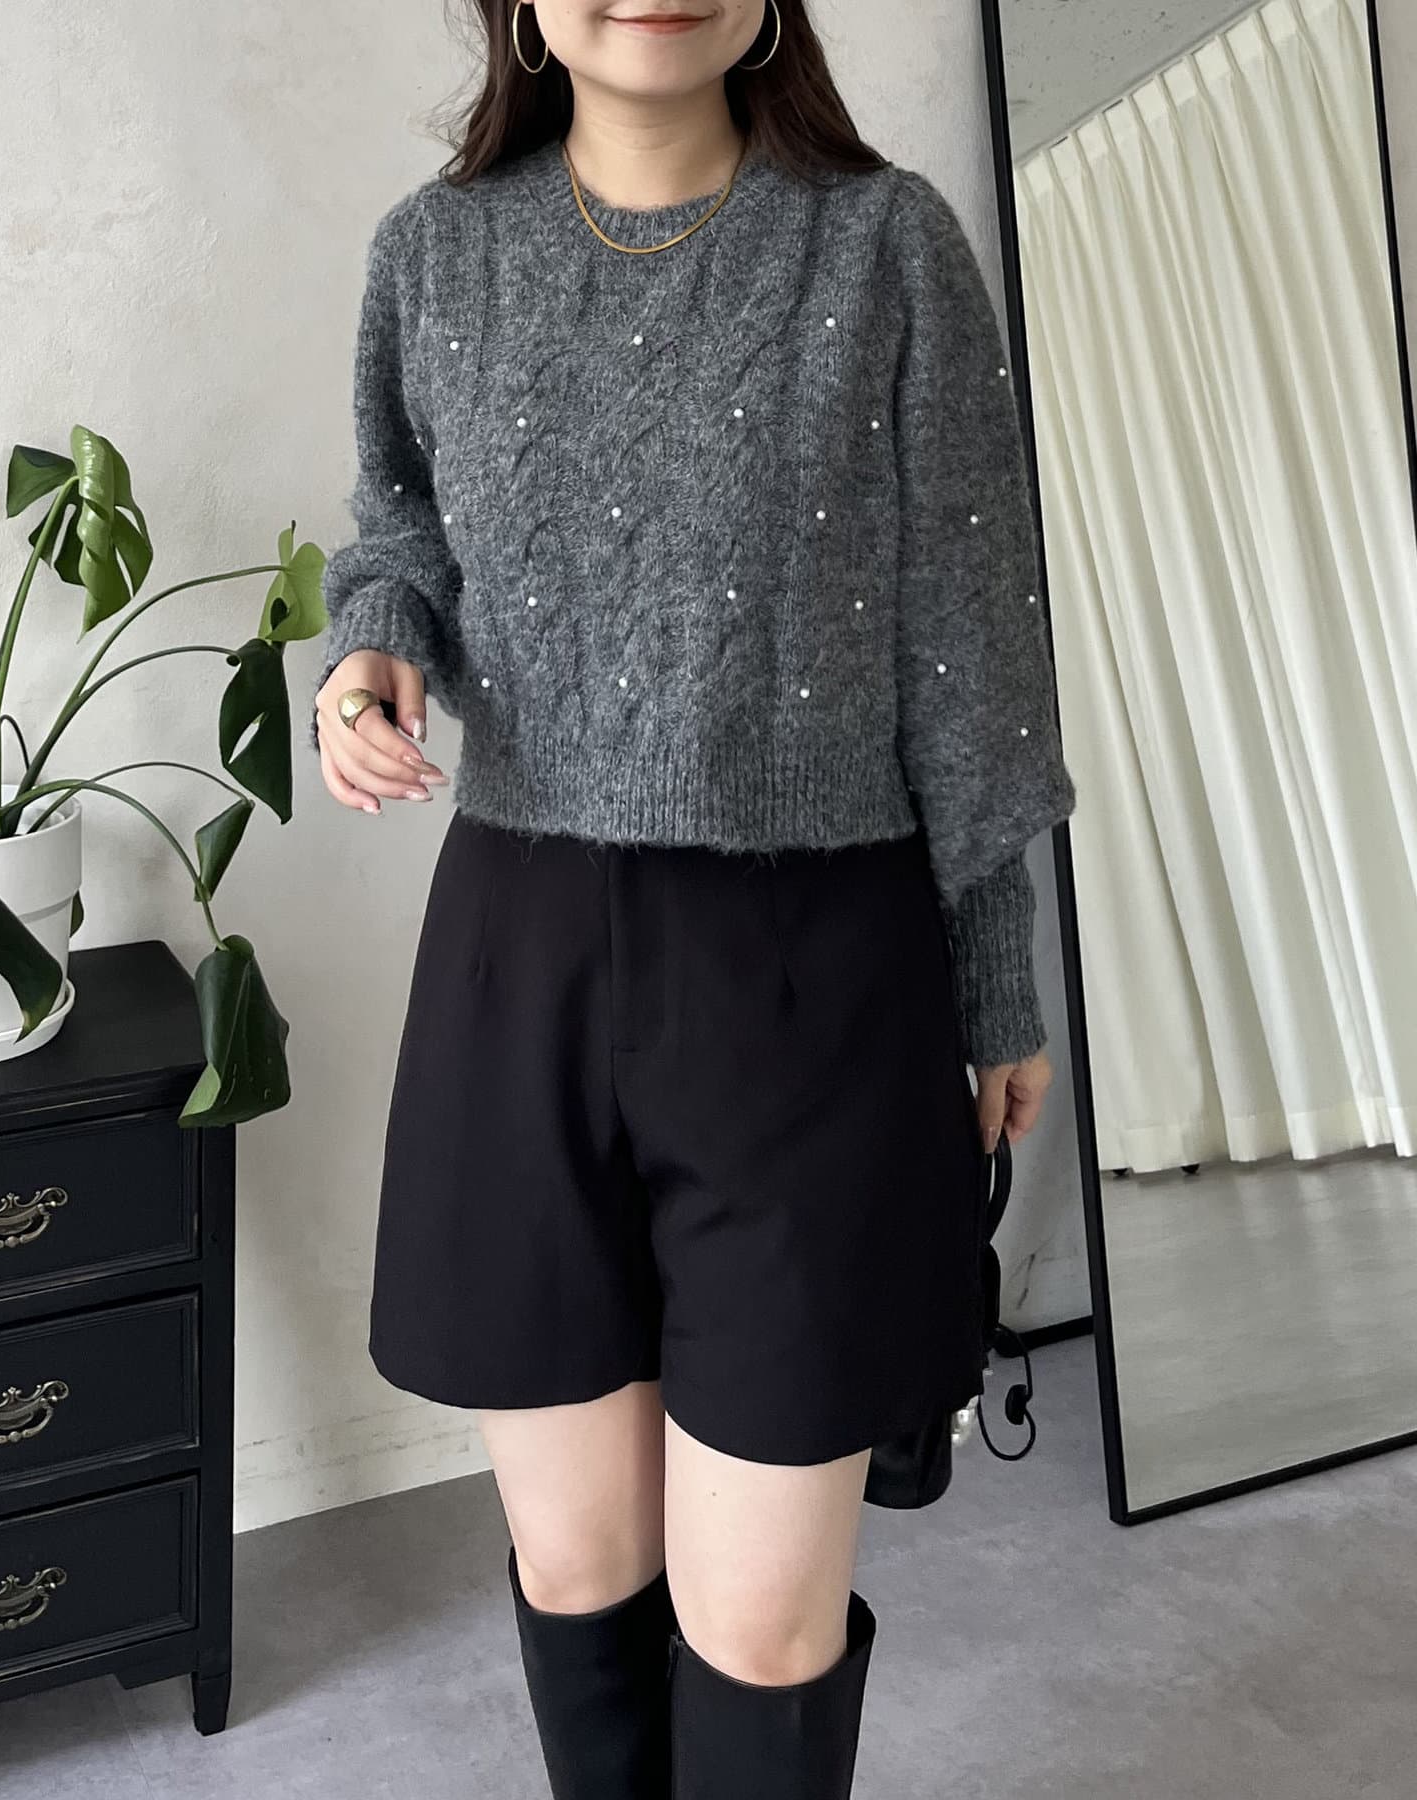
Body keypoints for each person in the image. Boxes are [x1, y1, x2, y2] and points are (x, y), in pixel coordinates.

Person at [307, 2, 1076, 1794]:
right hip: (521, 965)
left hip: (815, 980)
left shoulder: (883, 249)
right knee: (580, 1569)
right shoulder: (434, 255)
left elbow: (970, 650)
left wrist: (996, 974)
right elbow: (398, 526)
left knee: (759, 1621)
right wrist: (371, 652)